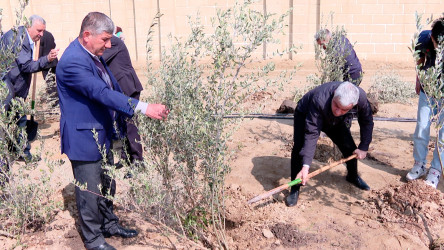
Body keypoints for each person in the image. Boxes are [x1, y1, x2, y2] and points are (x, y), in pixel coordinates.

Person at [56, 12, 168, 250]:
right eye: (105, 39)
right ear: (87, 35)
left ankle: (109, 224)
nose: (109, 45)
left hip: (101, 132)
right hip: (84, 136)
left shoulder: (92, 54)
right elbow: (101, 93)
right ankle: (94, 240)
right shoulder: (73, 60)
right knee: (89, 190)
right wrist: (143, 108)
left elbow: (111, 84)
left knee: (107, 182)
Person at [286, 81, 374, 207]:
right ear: (333, 94)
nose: (338, 112)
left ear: (353, 105)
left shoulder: (361, 98)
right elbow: (311, 134)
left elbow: (367, 121)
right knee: (300, 149)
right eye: (336, 105)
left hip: (334, 121)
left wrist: (364, 146)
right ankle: (295, 187)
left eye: (344, 110)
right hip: (306, 113)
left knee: (350, 148)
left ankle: (352, 176)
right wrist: (306, 166)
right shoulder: (319, 99)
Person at [1, 15, 59, 161]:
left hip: (15, 88)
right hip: (9, 89)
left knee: (17, 119)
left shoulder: (23, 35)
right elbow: (26, 66)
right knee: (16, 120)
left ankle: (18, 151)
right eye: (39, 30)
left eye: (43, 31)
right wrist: (47, 59)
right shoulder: (19, 39)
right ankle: (22, 154)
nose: (41, 34)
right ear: (29, 26)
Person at [406, 17, 444, 189]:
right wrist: (418, 80)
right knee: (421, 126)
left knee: (443, 135)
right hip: (428, 91)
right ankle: (419, 164)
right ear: (432, 37)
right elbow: (419, 60)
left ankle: (435, 170)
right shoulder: (423, 38)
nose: (439, 47)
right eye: (437, 43)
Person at [102, 26, 143, 169]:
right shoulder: (111, 41)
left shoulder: (113, 41)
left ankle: (138, 161)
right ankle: (126, 157)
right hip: (119, 90)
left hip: (127, 87)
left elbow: (100, 58)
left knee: (131, 126)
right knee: (122, 125)